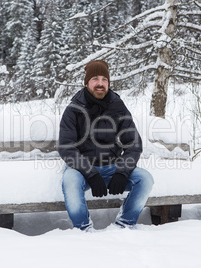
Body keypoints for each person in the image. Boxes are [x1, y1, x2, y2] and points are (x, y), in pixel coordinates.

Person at [58, 60, 154, 231]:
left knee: (145, 179)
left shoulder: (118, 107)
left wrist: (123, 172)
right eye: (95, 79)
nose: (100, 84)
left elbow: (133, 144)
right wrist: (91, 174)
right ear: (86, 82)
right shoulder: (74, 109)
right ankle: (83, 229)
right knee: (70, 181)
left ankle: (124, 224)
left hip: (112, 166)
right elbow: (67, 147)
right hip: (82, 169)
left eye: (104, 79)